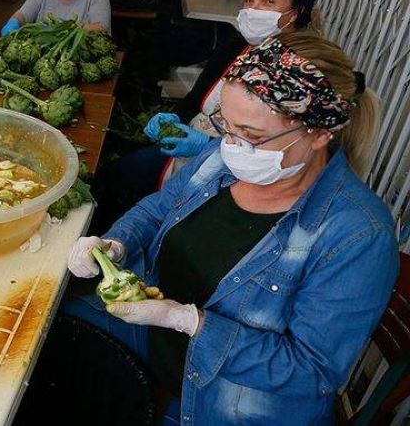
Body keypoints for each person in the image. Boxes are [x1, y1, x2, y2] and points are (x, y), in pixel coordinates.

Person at [65, 34, 398, 425]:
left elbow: (311, 370)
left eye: (253, 136)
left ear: (319, 134)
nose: (232, 144)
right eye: (227, 124)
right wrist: (116, 243)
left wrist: (189, 321)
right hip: (153, 343)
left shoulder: (357, 236)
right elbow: (160, 207)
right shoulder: (225, 158)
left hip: (219, 404)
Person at [89, 0, 319, 234]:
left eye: (268, 2)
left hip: (233, 173)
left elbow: (272, 154)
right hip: (189, 143)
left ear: (296, 12)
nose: (253, 10)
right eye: (249, 0)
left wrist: (207, 147)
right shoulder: (235, 47)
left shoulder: (298, 75)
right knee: (115, 176)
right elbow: (195, 98)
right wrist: (174, 117)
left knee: (171, 219)